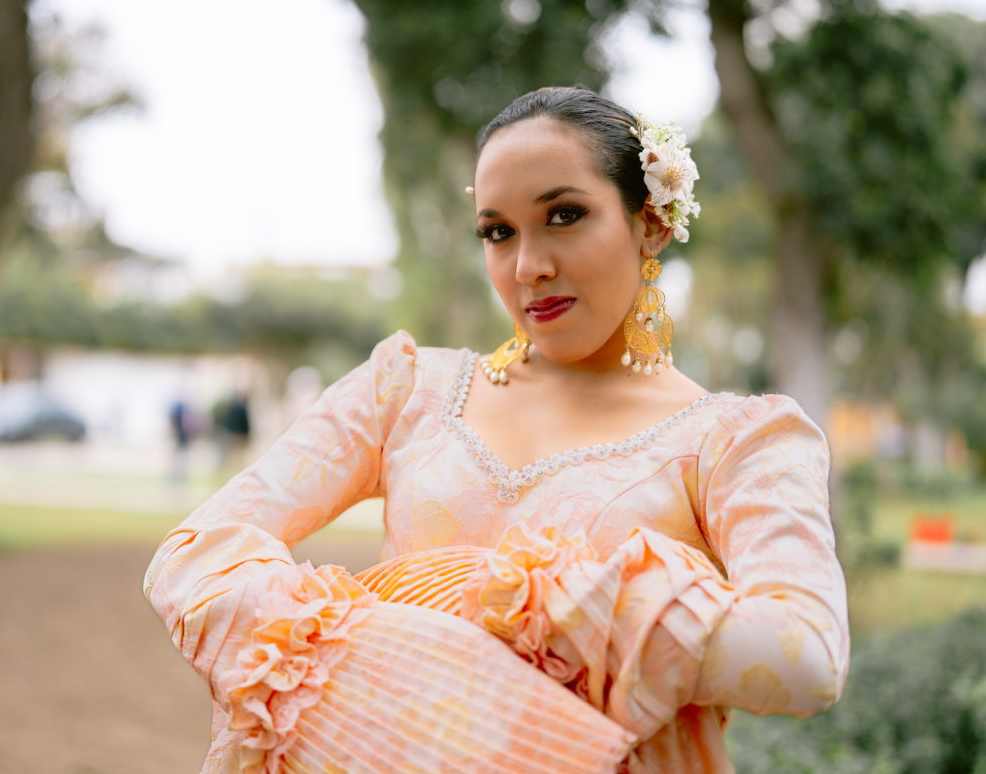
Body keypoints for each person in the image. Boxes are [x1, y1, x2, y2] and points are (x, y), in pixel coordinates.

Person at [144, 88, 849, 774]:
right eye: (497, 231)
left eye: (565, 215)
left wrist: (557, 606)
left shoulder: (739, 442)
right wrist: (379, 637)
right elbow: (194, 558)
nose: (528, 267)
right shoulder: (404, 394)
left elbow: (809, 653)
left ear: (650, 222)